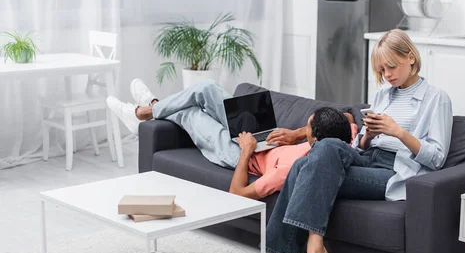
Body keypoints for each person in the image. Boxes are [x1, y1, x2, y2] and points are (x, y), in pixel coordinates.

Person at [241, 29, 453, 253]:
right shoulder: (383, 95)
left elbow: (437, 158)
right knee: (326, 146)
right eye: (381, 69)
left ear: (410, 57)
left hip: (395, 171)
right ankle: (311, 252)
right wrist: (370, 135)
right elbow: (359, 145)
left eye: (392, 66)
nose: (387, 75)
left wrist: (397, 131)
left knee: (301, 165)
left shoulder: (437, 98)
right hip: (367, 157)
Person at [106, 79, 358, 199]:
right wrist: (296, 133)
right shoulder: (342, 136)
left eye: (309, 130)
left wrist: (248, 150)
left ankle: (142, 112)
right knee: (205, 89)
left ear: (317, 142)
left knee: (190, 114)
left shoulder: (292, 169)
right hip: (265, 133)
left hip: (240, 154)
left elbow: (240, 191)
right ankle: (149, 108)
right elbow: (347, 116)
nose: (307, 130)